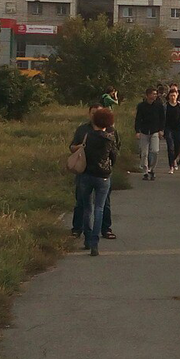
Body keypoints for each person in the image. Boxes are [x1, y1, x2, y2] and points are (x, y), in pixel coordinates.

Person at [73, 107, 118, 255]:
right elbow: (114, 157)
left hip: (86, 174)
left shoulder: (87, 136)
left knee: (87, 208)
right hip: (103, 176)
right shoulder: (109, 138)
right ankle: (94, 242)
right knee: (99, 208)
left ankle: (87, 238)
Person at [134, 86, 165, 181]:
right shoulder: (141, 106)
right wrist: (137, 131)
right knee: (144, 153)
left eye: (156, 94)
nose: (155, 95)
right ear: (147, 95)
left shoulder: (159, 105)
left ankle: (152, 169)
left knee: (155, 151)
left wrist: (161, 130)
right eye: (153, 94)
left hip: (155, 131)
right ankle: (145, 171)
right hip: (144, 131)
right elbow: (138, 119)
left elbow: (162, 118)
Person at [163, 86, 180, 174]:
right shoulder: (165, 106)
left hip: (179, 129)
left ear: (177, 95)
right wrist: (162, 130)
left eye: (174, 95)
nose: (173, 97)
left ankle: (174, 159)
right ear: (169, 96)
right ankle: (171, 166)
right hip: (168, 128)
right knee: (171, 147)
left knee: (178, 147)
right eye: (171, 95)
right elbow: (163, 118)